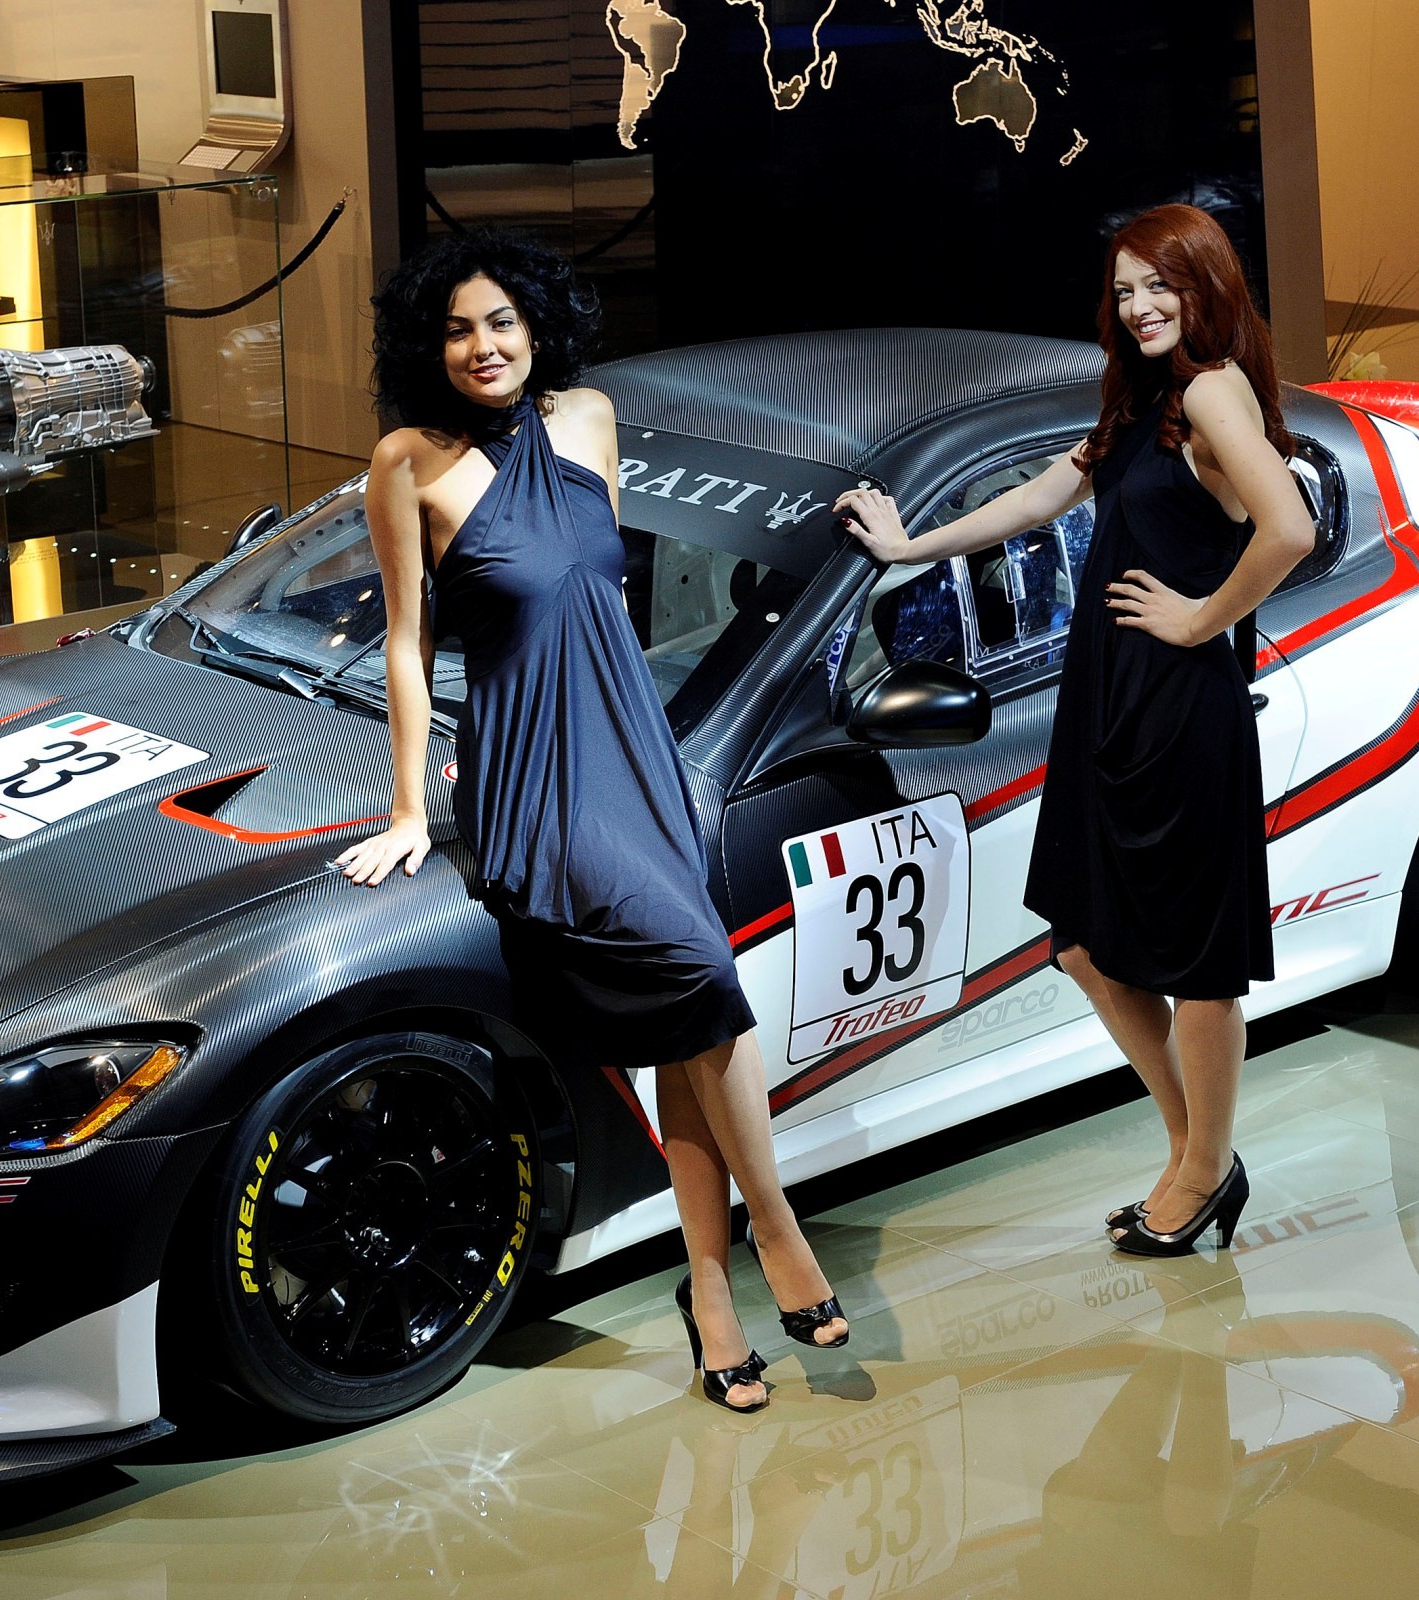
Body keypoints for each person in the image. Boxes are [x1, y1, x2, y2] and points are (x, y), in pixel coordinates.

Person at [337, 229, 849, 1410]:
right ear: (427, 345)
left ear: (538, 326)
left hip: (633, 751)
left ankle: (710, 1294)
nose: (482, 345)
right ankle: (777, 1227)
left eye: (501, 321)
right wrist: (412, 805)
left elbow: (601, 591)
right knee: (699, 978)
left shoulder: (589, 420)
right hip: (537, 770)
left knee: (684, 1027)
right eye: (457, 329)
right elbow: (408, 644)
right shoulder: (407, 463)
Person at [835, 203, 1315, 1257]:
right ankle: (1199, 1152)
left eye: (1161, 285)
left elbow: (1290, 526)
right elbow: (1040, 499)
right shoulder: (1146, 395)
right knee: (1087, 947)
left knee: (1198, 966)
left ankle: (1200, 1168)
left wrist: (1201, 617)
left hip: (1182, 713)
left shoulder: (1212, 390)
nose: (1139, 306)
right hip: (1114, 707)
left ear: (1207, 286)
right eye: (1125, 288)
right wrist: (910, 548)